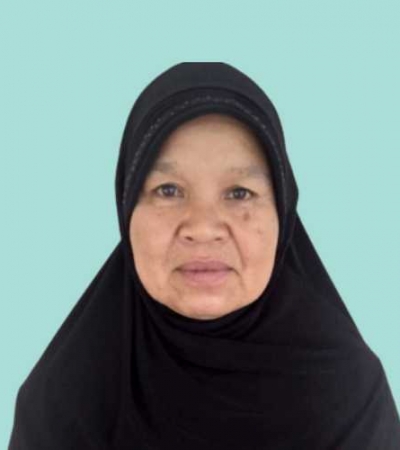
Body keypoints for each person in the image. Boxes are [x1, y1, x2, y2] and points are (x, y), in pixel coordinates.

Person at [8, 62, 400, 449]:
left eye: (239, 193)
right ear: (127, 210)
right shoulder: (61, 402)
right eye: (168, 190)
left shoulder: (349, 393)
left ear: (282, 215)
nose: (203, 227)